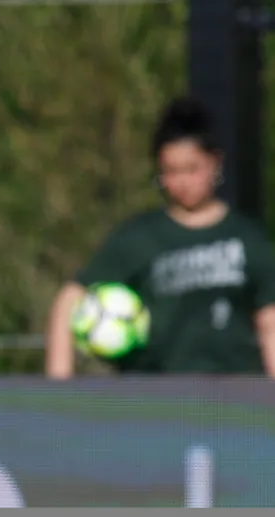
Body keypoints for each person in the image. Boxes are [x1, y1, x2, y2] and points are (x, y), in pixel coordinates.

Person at [46, 96, 275, 378]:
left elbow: (269, 320)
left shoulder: (246, 237)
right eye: (171, 171)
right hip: (158, 398)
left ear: (215, 163)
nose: (182, 182)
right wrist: (58, 388)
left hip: (233, 397)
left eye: (192, 169)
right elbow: (70, 299)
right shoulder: (139, 238)